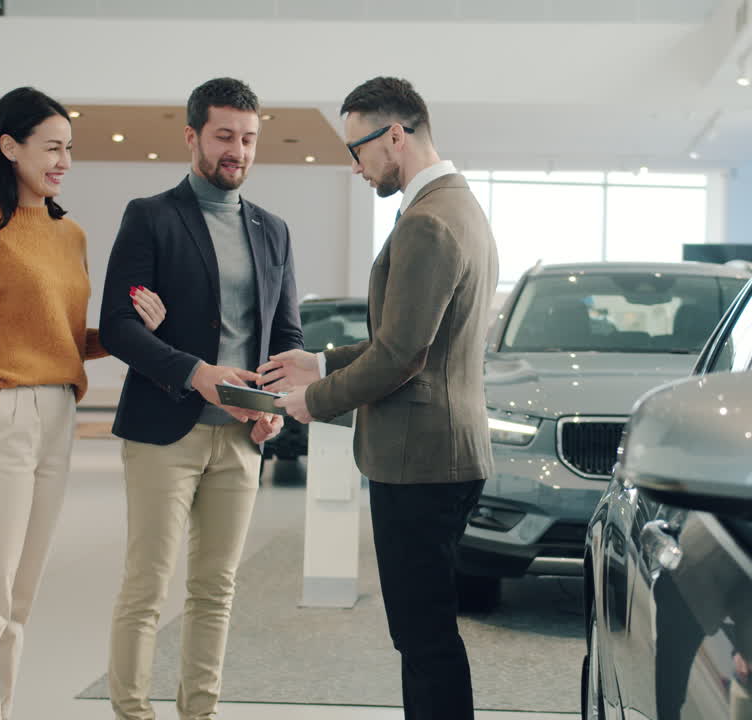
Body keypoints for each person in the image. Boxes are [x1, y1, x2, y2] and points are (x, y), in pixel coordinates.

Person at [0, 86, 165, 720]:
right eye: (51, 147)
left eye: (69, 149)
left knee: (18, 600)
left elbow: (61, 339)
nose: (64, 160)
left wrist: (130, 336)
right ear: (9, 147)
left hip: (57, 419)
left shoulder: (69, 235)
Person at [259, 76, 499, 720]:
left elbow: (403, 356)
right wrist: (318, 362)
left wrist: (317, 400)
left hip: (422, 457)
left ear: (396, 135)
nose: (356, 166)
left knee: (423, 639)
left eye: (357, 149)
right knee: (426, 634)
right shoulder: (458, 206)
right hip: (441, 451)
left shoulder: (429, 221)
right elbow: (411, 338)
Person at [99, 77, 303, 720]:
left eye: (247, 138)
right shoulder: (150, 215)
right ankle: (131, 711)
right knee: (147, 587)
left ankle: (200, 712)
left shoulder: (274, 231)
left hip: (243, 438)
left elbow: (287, 336)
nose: (236, 150)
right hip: (165, 429)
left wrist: (272, 409)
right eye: (223, 136)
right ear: (192, 136)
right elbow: (117, 328)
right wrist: (194, 372)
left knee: (216, 588)